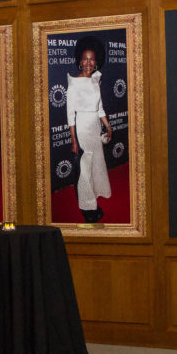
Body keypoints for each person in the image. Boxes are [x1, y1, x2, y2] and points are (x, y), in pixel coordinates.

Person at [67, 36, 112, 223]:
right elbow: (70, 115)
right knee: (84, 169)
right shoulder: (74, 84)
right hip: (82, 129)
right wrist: (74, 140)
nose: (88, 63)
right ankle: (87, 208)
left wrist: (108, 127)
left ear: (96, 61)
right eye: (85, 59)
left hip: (95, 128)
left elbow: (100, 108)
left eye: (91, 59)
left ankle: (92, 199)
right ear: (80, 61)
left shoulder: (95, 80)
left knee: (95, 166)